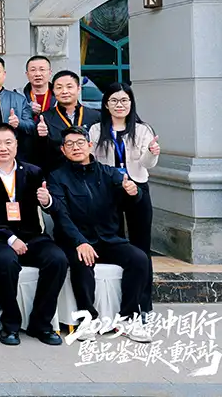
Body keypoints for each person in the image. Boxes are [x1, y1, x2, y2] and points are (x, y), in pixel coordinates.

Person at [46, 127, 152, 342]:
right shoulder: (56, 177)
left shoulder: (109, 173)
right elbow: (61, 215)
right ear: (63, 150)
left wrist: (134, 193)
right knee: (82, 262)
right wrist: (80, 241)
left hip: (108, 239)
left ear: (89, 146)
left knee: (139, 259)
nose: (76, 148)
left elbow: (131, 200)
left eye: (80, 143)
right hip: (76, 240)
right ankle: (88, 320)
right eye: (69, 144)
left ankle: (128, 317)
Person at [0, 123, 67, 346]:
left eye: (8, 142)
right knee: (6, 262)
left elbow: (51, 207)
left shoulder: (33, 172)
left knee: (58, 259)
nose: (3, 147)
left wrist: (47, 201)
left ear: (16, 145)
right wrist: (10, 238)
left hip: (31, 235)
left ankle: (41, 324)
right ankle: (10, 325)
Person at [88, 82, 160, 315]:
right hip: (109, 191)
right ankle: (116, 302)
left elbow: (147, 164)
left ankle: (143, 304)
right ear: (106, 104)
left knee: (141, 246)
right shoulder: (97, 130)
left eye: (124, 100)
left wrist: (151, 153)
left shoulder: (142, 129)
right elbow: (93, 161)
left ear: (131, 103)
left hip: (137, 188)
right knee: (113, 243)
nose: (119, 105)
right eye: (114, 100)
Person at [36, 70, 101, 172]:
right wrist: (41, 137)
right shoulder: (45, 119)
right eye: (59, 88)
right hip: (58, 174)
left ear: (78, 89)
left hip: (91, 173)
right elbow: (39, 154)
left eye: (69, 87)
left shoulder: (95, 116)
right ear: (53, 91)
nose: (64, 91)